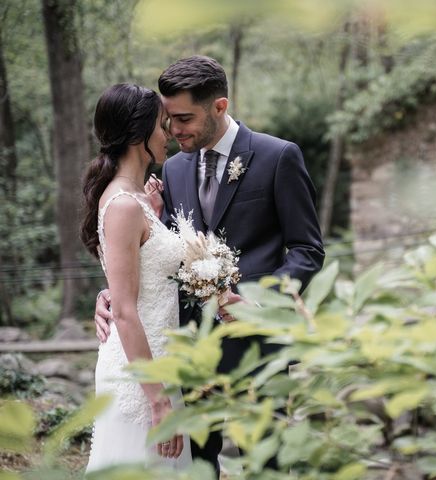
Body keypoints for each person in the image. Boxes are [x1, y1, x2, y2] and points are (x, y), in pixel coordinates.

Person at [94, 56, 325, 476]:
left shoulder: (278, 157)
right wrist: (111, 293)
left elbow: (307, 249)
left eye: (183, 118)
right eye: (167, 120)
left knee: (267, 463)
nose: (173, 130)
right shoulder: (174, 167)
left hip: (257, 348)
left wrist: (262, 304)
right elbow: (154, 250)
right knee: (195, 465)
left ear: (219, 107)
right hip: (187, 348)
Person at [81, 83, 192, 471]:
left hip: (159, 364)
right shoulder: (125, 205)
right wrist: (158, 401)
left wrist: (157, 216)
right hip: (141, 379)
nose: (169, 135)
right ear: (137, 136)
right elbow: (125, 310)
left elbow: (139, 271)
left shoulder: (139, 199)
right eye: (162, 126)